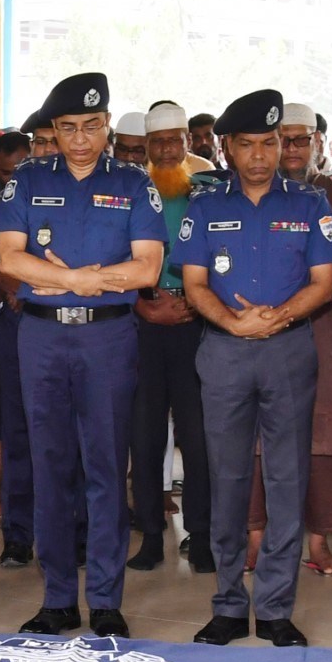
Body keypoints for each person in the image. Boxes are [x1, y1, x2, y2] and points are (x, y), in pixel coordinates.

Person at [172, 89, 332, 647]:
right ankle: (227, 603)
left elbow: (325, 282)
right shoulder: (205, 206)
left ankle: (274, 607)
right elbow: (193, 284)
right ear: (226, 148)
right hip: (223, 352)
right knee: (227, 478)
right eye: (246, 145)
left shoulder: (309, 204)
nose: (259, 155)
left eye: (268, 143)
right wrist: (232, 323)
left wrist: (278, 317)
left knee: (286, 477)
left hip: (289, 350)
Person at [0, 72, 165, 638]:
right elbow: (11, 262)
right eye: (68, 128)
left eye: (92, 126)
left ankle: (106, 599)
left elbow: (147, 268)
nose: (81, 139)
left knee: (106, 467)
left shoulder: (135, 183)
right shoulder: (27, 179)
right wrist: (81, 280)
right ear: (54, 131)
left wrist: (76, 283)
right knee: (50, 466)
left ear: (107, 125)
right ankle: (59, 597)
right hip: (41, 337)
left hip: (107, 338)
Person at [254, 102, 332, 577]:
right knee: (256, 435)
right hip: (256, 326)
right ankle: (255, 537)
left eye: (303, 139)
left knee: (324, 436)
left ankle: (317, 540)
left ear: (319, 143)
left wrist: (284, 289)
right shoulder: (252, 191)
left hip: (321, 325)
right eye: (285, 139)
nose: (294, 149)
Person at [128, 101, 215, 573]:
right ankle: (152, 536)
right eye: (157, 142)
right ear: (146, 146)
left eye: (173, 140)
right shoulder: (130, 191)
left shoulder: (207, 193)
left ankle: (200, 535)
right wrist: (141, 302)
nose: (165, 149)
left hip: (195, 325)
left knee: (197, 436)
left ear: (186, 143)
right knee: (143, 436)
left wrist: (193, 303)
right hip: (141, 323)